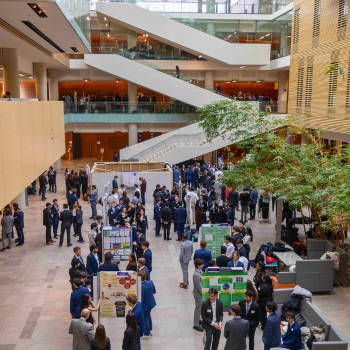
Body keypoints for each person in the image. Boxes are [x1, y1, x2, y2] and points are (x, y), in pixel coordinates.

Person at [139, 270, 156, 338]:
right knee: (148, 316)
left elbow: (141, 298)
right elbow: (154, 291)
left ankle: (146, 333)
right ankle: (150, 329)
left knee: (145, 317)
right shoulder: (150, 282)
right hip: (151, 302)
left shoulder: (140, 287)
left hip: (145, 305)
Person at [193, 258, 204, 332]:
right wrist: (204, 293)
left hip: (200, 294)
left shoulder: (200, 271)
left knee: (200, 308)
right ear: (198, 266)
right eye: (202, 264)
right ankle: (196, 324)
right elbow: (199, 286)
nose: (203, 265)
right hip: (198, 294)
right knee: (198, 308)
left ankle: (199, 319)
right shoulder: (196, 275)